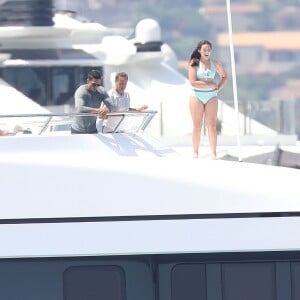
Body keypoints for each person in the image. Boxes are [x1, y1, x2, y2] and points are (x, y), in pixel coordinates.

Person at [188, 40, 228, 159]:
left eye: (209, 50)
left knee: (211, 125)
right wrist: (209, 84)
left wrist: (217, 88)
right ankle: (195, 152)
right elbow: (193, 82)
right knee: (197, 125)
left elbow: (224, 77)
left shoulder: (215, 63)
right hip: (197, 96)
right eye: (204, 50)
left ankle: (213, 153)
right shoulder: (194, 63)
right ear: (199, 51)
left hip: (211, 97)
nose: (207, 52)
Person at [71, 69, 112, 134]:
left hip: (92, 130)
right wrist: (98, 111)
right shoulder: (81, 91)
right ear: (88, 81)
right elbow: (79, 108)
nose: (96, 87)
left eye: (98, 85)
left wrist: (106, 110)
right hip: (78, 130)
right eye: (94, 84)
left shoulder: (101, 91)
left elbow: (112, 106)